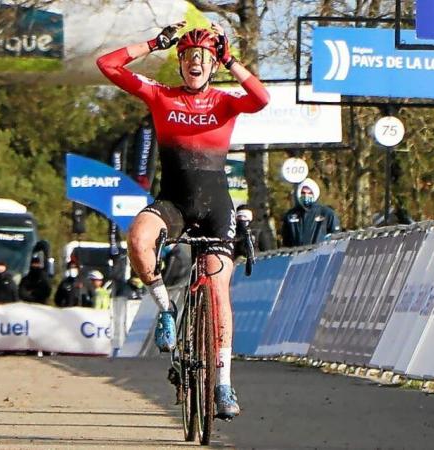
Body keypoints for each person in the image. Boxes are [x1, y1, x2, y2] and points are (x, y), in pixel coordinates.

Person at [97, 21, 269, 419]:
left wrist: (231, 60)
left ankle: (223, 384)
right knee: (139, 241)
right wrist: (152, 44)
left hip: (215, 209)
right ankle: (166, 310)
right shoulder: (161, 96)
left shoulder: (225, 102)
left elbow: (260, 98)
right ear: (180, 64)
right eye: (189, 57)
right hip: (173, 203)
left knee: (218, 288)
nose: (196, 63)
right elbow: (108, 65)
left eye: (204, 58)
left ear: (212, 66)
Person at [281, 178, 341, 248]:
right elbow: (286, 241)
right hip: (297, 256)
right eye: (303, 193)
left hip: (320, 255)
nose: (306, 195)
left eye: (309, 193)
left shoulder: (327, 213)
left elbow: (335, 236)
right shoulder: (290, 215)